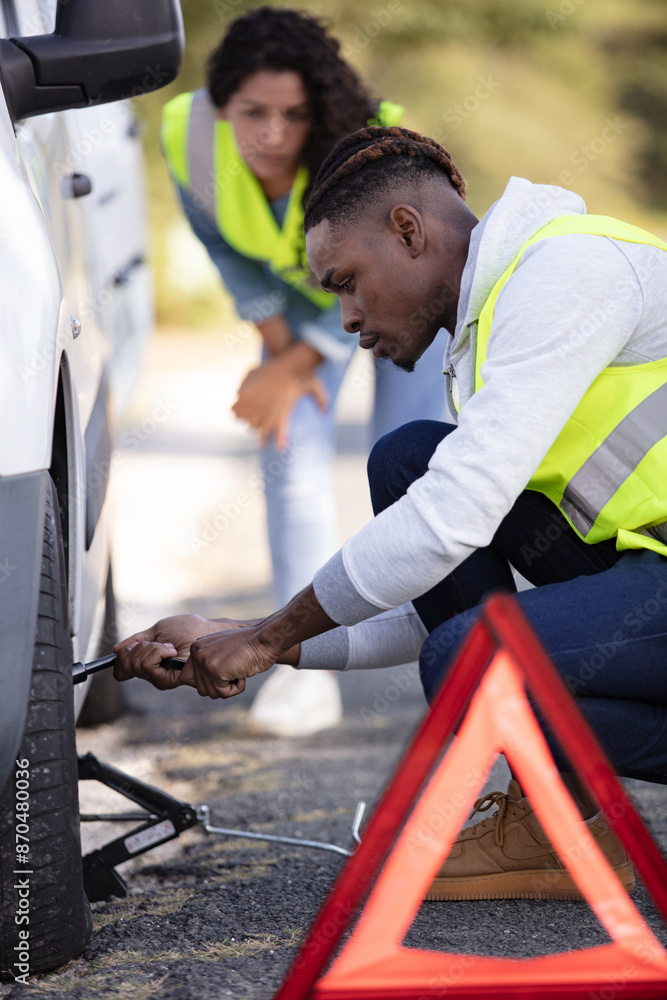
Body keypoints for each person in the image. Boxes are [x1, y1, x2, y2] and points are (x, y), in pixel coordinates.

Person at [115, 125, 667, 900]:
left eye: (346, 281)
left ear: (407, 231)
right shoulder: (491, 329)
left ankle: (558, 819)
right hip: (647, 571)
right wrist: (251, 639)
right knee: (409, 463)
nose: (346, 317)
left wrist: (264, 636)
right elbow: (427, 603)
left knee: (469, 655)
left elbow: (449, 521)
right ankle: (558, 823)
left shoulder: (566, 271)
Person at [160, 9, 449, 738]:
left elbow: (377, 271)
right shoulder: (186, 134)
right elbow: (222, 248)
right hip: (290, 308)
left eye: (295, 115)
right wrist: (279, 346)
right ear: (220, 106)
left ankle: (448, 649)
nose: (273, 135)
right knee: (288, 453)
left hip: (394, 298)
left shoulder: (368, 143)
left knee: (412, 459)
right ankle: (299, 674)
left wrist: (298, 360)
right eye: (252, 113)